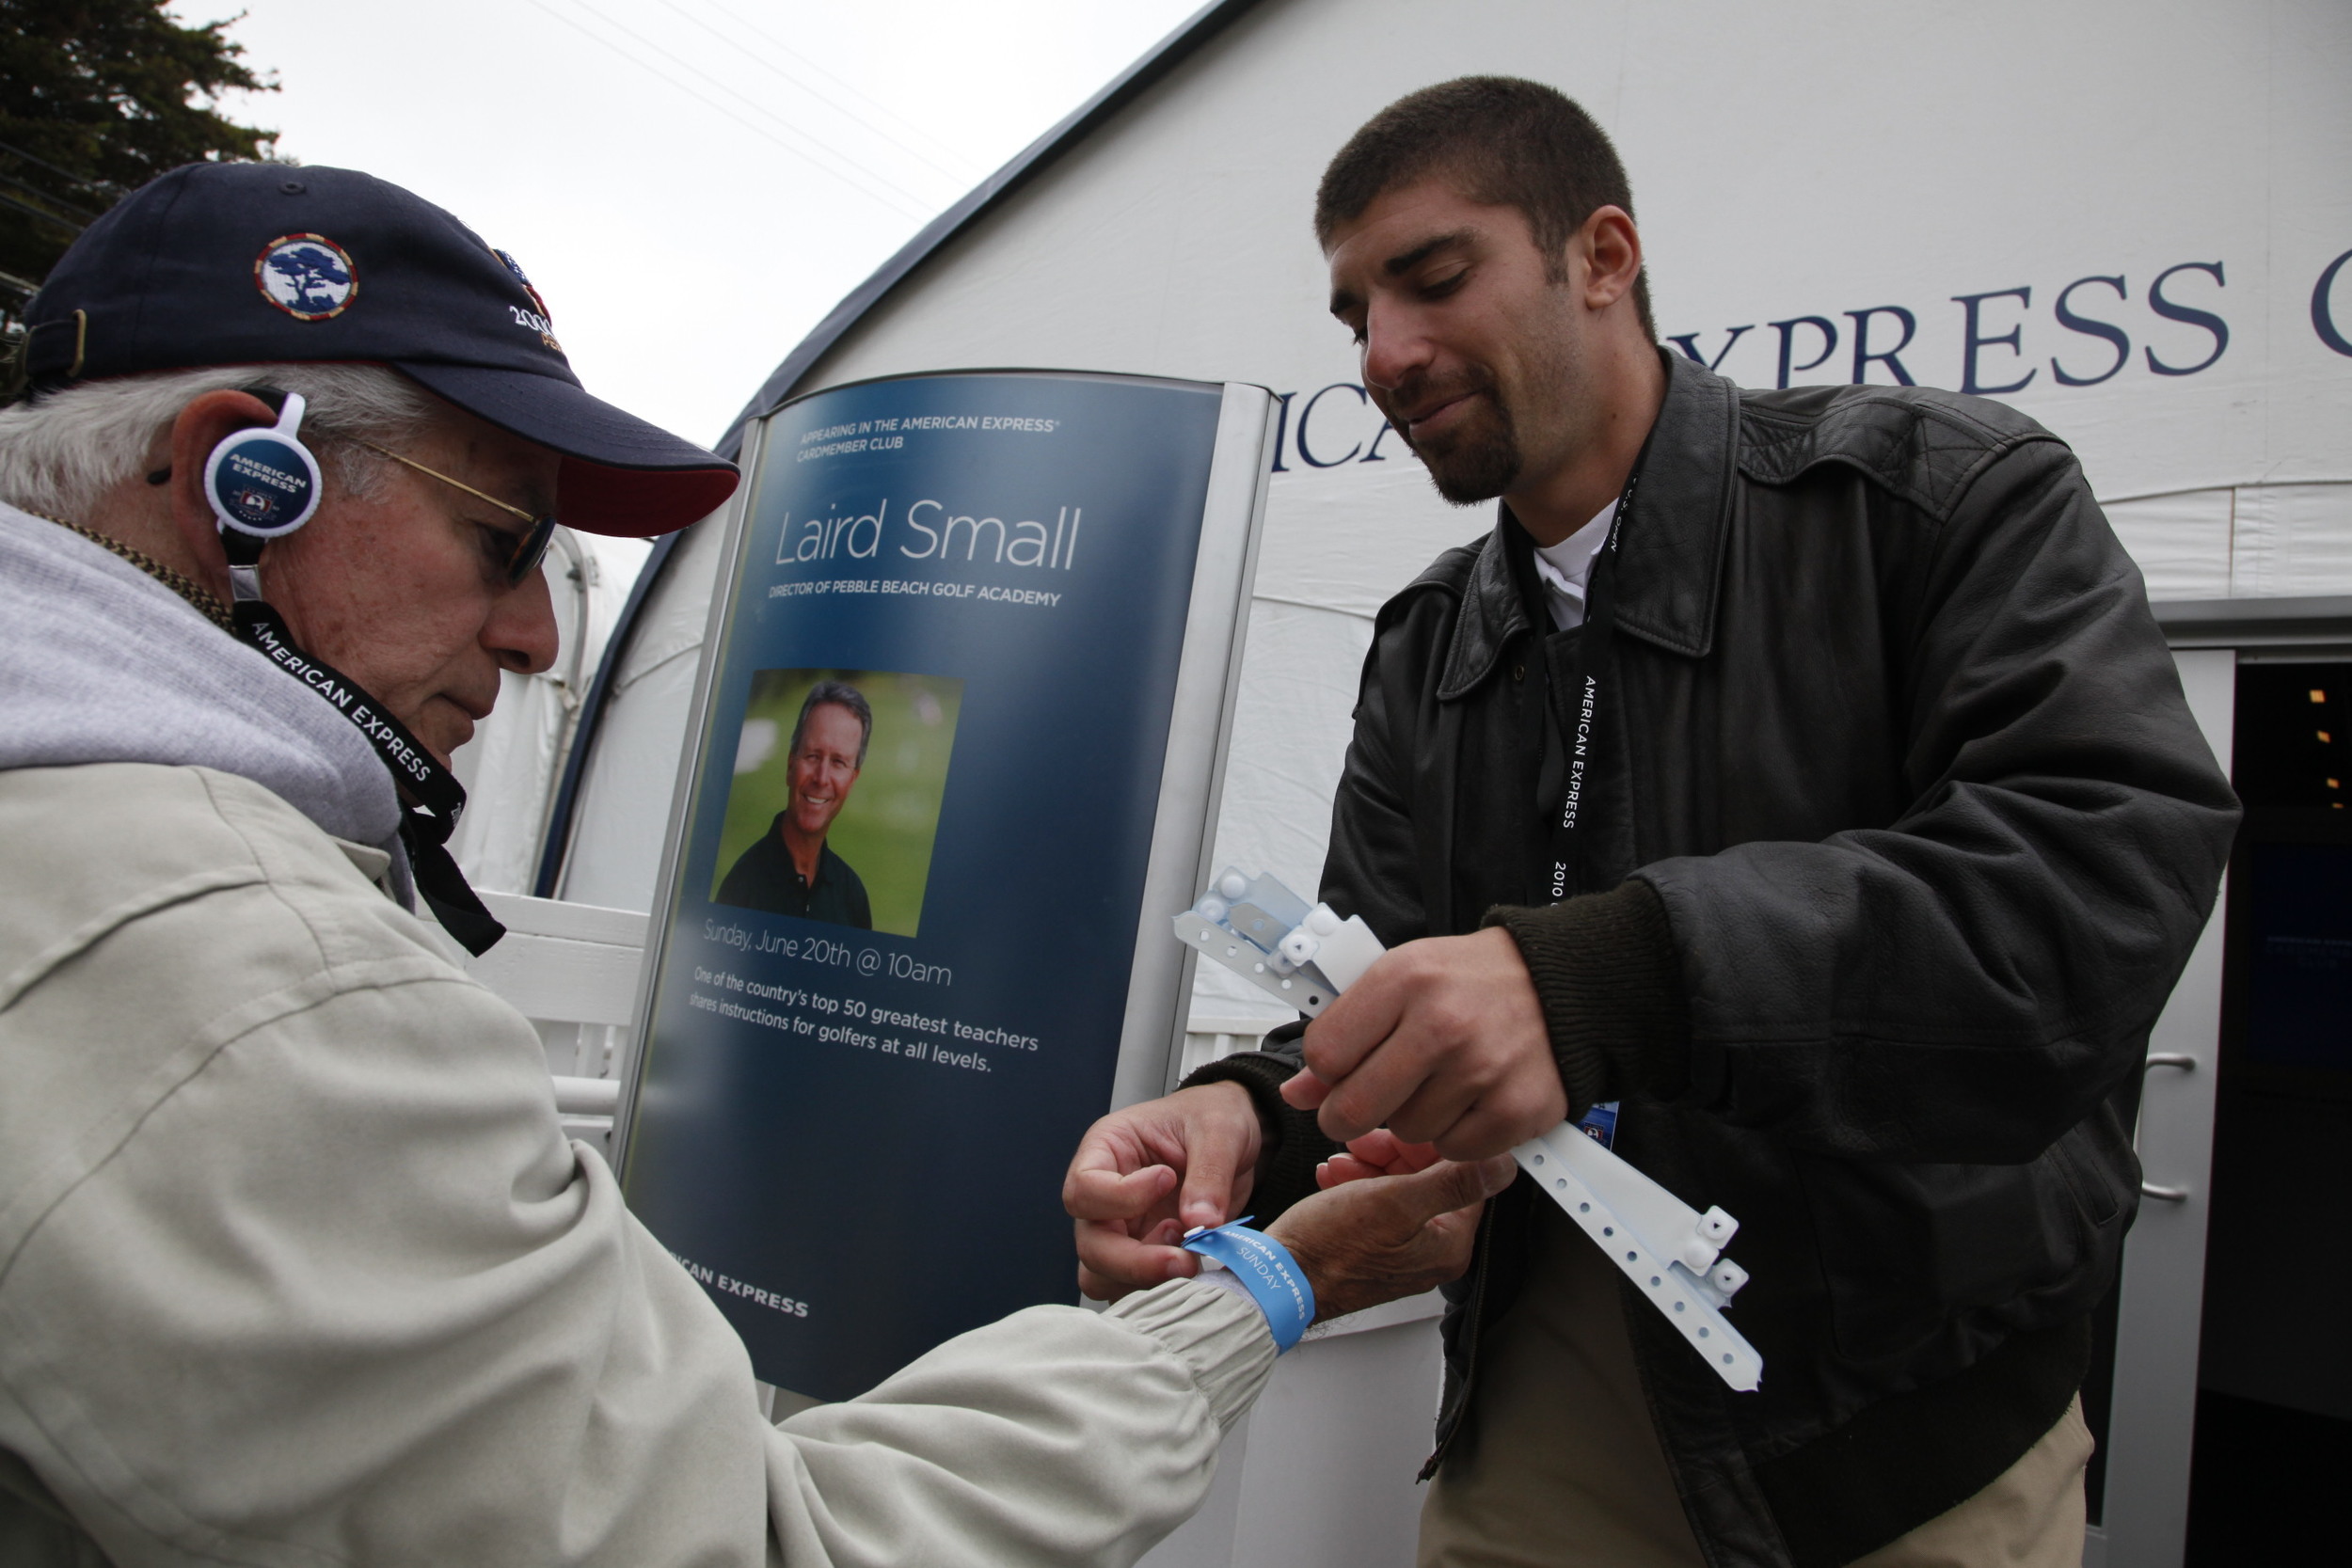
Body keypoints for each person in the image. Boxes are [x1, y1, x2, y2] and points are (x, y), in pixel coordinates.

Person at [0, 160, 1519, 1567]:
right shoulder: (255, 980)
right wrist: (1262, 1291)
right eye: (503, 540)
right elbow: (771, 1539)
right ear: (241, 483)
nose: (537, 637)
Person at [1065, 77, 2240, 1568]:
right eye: (1356, 313)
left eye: (1433, 279)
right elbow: (1362, 1000)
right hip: (1545, 1403)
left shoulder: (1936, 501)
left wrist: (1611, 977)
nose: (1387, 354)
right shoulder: (1431, 638)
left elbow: (2101, 877)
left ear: (1602, 256)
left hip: (1905, 1428)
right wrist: (1245, 1117)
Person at [716, 681, 875, 927]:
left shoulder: (852, 896)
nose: (821, 778)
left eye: (838, 762)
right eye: (812, 756)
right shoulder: (742, 890)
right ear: (791, 765)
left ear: (852, 779)